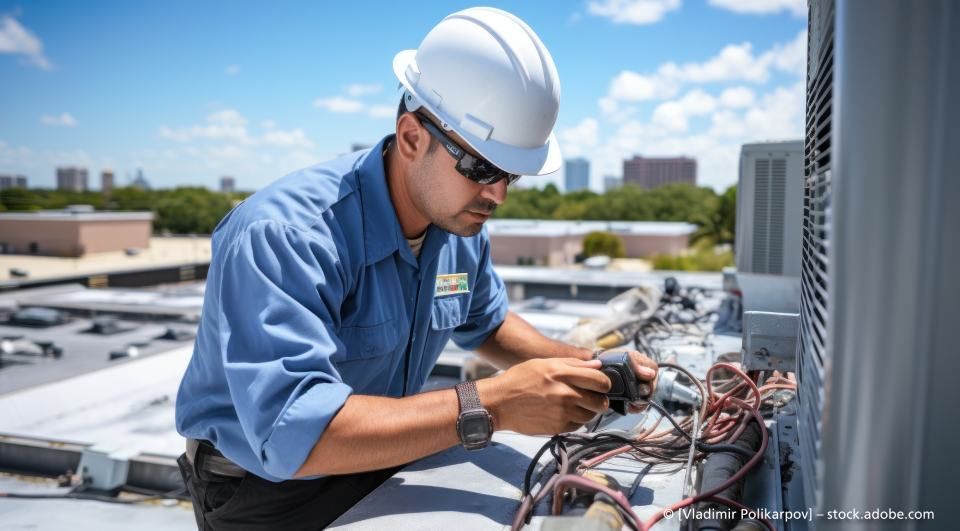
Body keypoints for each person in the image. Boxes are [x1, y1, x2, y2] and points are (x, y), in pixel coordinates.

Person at [174, 6, 658, 530]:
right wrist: (494, 403)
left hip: (385, 453)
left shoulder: (457, 225)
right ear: (411, 137)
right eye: (481, 167)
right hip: (265, 491)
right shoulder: (287, 236)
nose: (497, 195)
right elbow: (293, 433)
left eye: (511, 176)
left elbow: (488, 325)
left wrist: (589, 368)